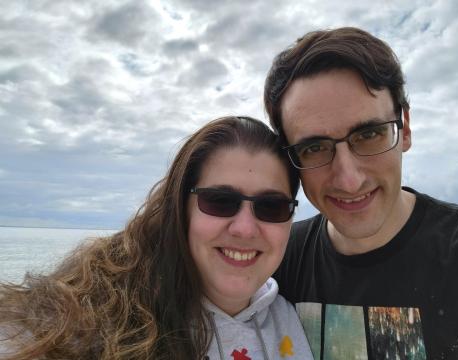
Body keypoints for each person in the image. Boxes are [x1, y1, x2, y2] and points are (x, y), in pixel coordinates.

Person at [0, 116, 313, 360]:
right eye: (219, 201)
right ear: (180, 210)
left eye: (271, 207)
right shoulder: (92, 320)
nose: (245, 228)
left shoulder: (287, 319)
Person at [264, 27, 458, 359]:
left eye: (369, 134)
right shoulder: (276, 265)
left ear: (404, 128)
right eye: (315, 148)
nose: (349, 180)